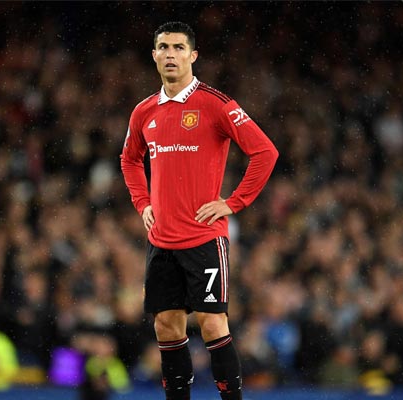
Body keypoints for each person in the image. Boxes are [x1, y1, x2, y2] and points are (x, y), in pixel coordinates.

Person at [120, 21, 278, 400]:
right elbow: (128, 160)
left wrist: (232, 202)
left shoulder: (216, 104)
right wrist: (142, 203)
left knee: (212, 323)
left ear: (193, 55)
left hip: (204, 237)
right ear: (154, 55)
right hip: (162, 241)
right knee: (167, 327)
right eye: (163, 47)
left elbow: (265, 152)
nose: (170, 54)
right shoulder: (144, 112)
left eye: (178, 47)